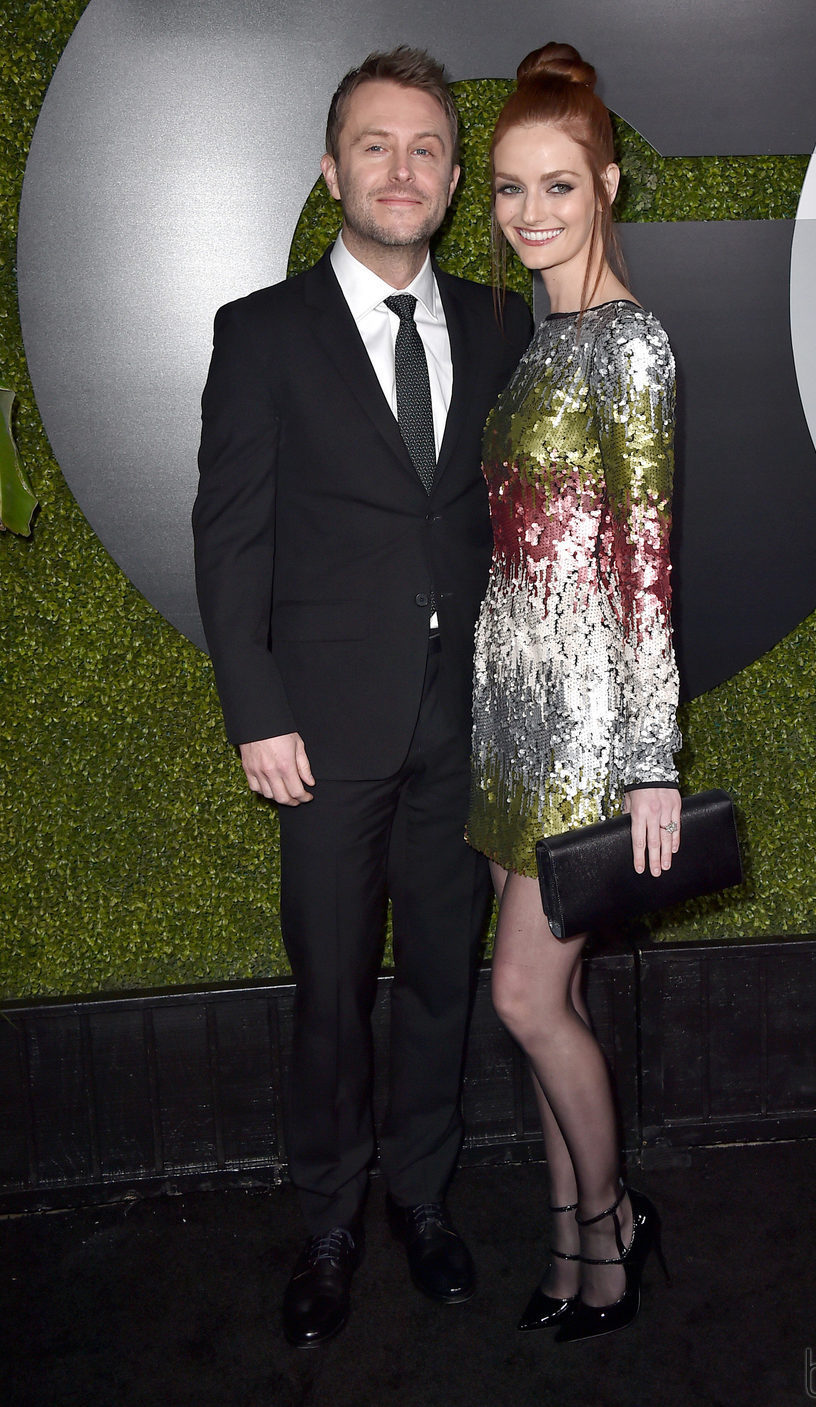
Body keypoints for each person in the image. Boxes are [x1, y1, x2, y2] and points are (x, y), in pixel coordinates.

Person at [192, 47, 532, 1348]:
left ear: (451, 183)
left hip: (464, 732)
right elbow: (232, 540)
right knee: (331, 986)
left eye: (428, 149)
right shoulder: (260, 333)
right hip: (321, 737)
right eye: (376, 145)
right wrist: (255, 709)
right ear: (334, 171)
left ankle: (422, 1199)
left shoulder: (505, 327)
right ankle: (330, 1222)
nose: (404, 168)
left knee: (444, 981)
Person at [467, 43, 682, 1343]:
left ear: (606, 182)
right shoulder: (549, 342)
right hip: (507, 722)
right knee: (556, 1004)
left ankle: (614, 1225)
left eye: (557, 185)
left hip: (586, 733)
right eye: (508, 189)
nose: (530, 214)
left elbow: (647, 563)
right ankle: (576, 1263)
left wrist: (651, 760)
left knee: (525, 1000)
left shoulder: (632, 346)